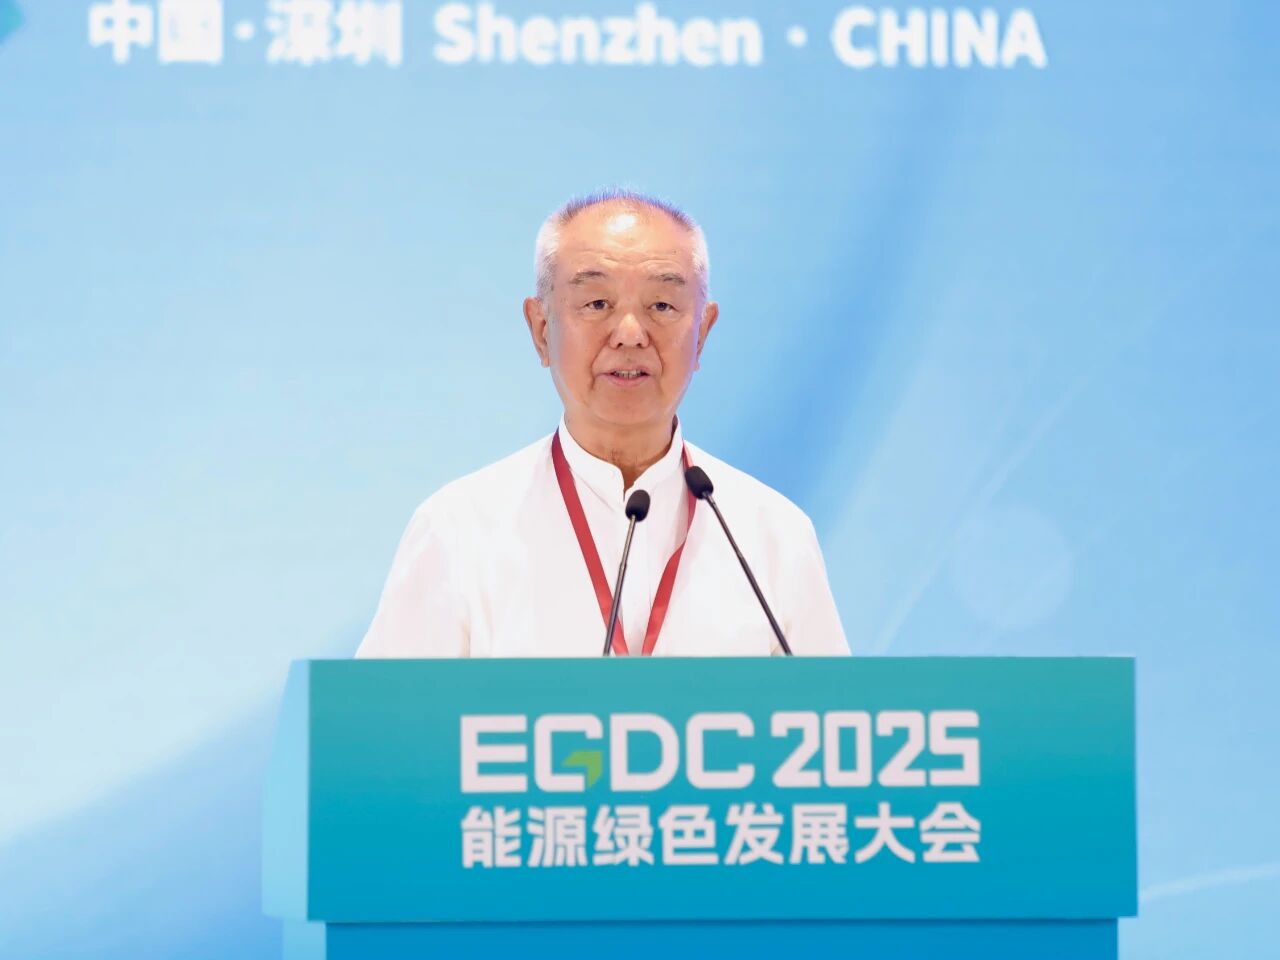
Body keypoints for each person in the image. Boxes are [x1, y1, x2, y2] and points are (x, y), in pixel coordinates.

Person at [357, 189, 848, 657]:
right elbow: (384, 716)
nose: (630, 334)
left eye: (662, 305)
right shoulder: (457, 532)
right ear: (541, 329)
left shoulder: (773, 536)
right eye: (597, 304)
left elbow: (837, 714)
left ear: (702, 332)